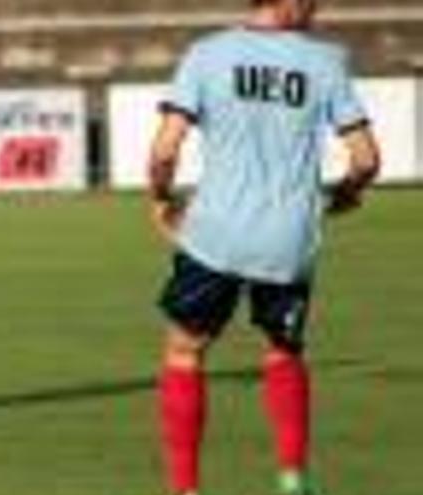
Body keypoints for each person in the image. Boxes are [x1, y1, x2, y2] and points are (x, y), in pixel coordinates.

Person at [146, 0, 381, 493]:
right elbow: (365, 158)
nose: (317, 7)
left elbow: (165, 149)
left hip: (216, 233)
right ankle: (293, 479)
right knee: (282, 350)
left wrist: (164, 198)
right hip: (288, 237)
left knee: (185, 352)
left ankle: (186, 489)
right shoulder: (325, 61)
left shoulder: (207, 54)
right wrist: (343, 195)